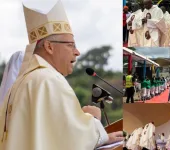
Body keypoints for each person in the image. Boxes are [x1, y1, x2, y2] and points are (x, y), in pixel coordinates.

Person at [0, 2, 123, 150]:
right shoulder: (48, 79)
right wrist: (93, 119)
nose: (77, 52)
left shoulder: (24, 81)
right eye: (71, 45)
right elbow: (72, 141)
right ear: (49, 46)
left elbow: (47, 135)